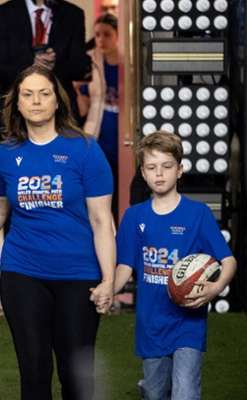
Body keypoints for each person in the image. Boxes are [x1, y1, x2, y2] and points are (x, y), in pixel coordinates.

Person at [0, 65, 115, 400]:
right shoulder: (6, 152)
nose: (36, 101)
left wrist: (109, 280)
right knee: (34, 374)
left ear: (58, 101)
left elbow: (102, 221)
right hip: (22, 272)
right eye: (28, 94)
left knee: (76, 379)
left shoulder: (85, 149)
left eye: (45, 93)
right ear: (17, 104)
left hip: (78, 274)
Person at [97, 130, 237, 399]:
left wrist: (215, 287)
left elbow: (228, 261)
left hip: (188, 322)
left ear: (180, 170)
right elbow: (125, 265)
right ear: (143, 173)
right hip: (152, 323)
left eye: (167, 166)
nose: (159, 173)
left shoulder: (198, 214)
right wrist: (109, 290)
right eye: (152, 167)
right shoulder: (134, 216)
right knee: (155, 390)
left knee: (184, 392)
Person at [0, 0, 91, 139]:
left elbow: (81, 66)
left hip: (60, 117)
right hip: (14, 117)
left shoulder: (73, 14)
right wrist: (31, 66)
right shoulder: (4, 13)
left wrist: (54, 66)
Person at [76, 13, 119, 222]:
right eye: (98, 34)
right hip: (99, 135)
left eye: (107, 34)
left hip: (124, 138)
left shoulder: (129, 64)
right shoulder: (90, 62)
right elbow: (83, 109)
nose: (101, 39)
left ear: (119, 36)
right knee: (101, 195)